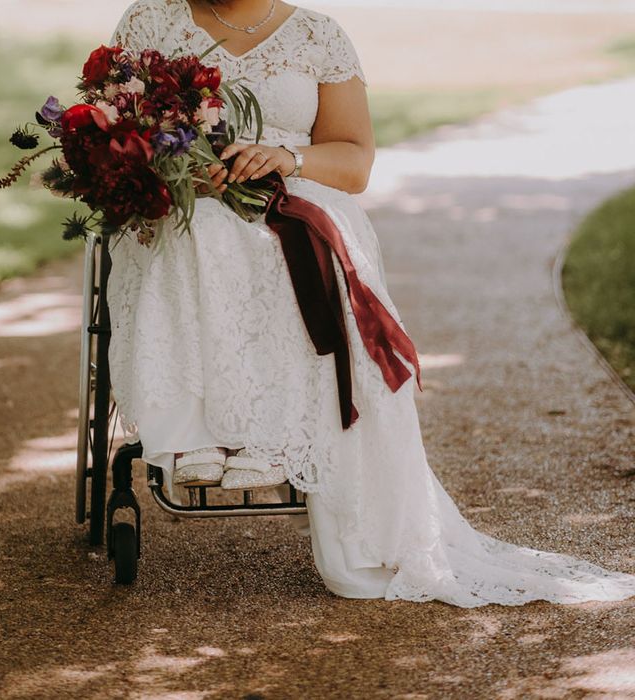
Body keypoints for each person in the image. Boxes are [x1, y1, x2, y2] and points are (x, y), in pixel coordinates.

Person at [105, 0, 635, 606]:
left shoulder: (318, 35)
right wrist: (176, 169)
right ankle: (200, 434)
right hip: (184, 195)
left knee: (294, 244)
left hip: (294, 190)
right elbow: (118, 134)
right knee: (200, 231)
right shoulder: (151, 21)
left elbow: (354, 162)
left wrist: (289, 158)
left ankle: (266, 440)